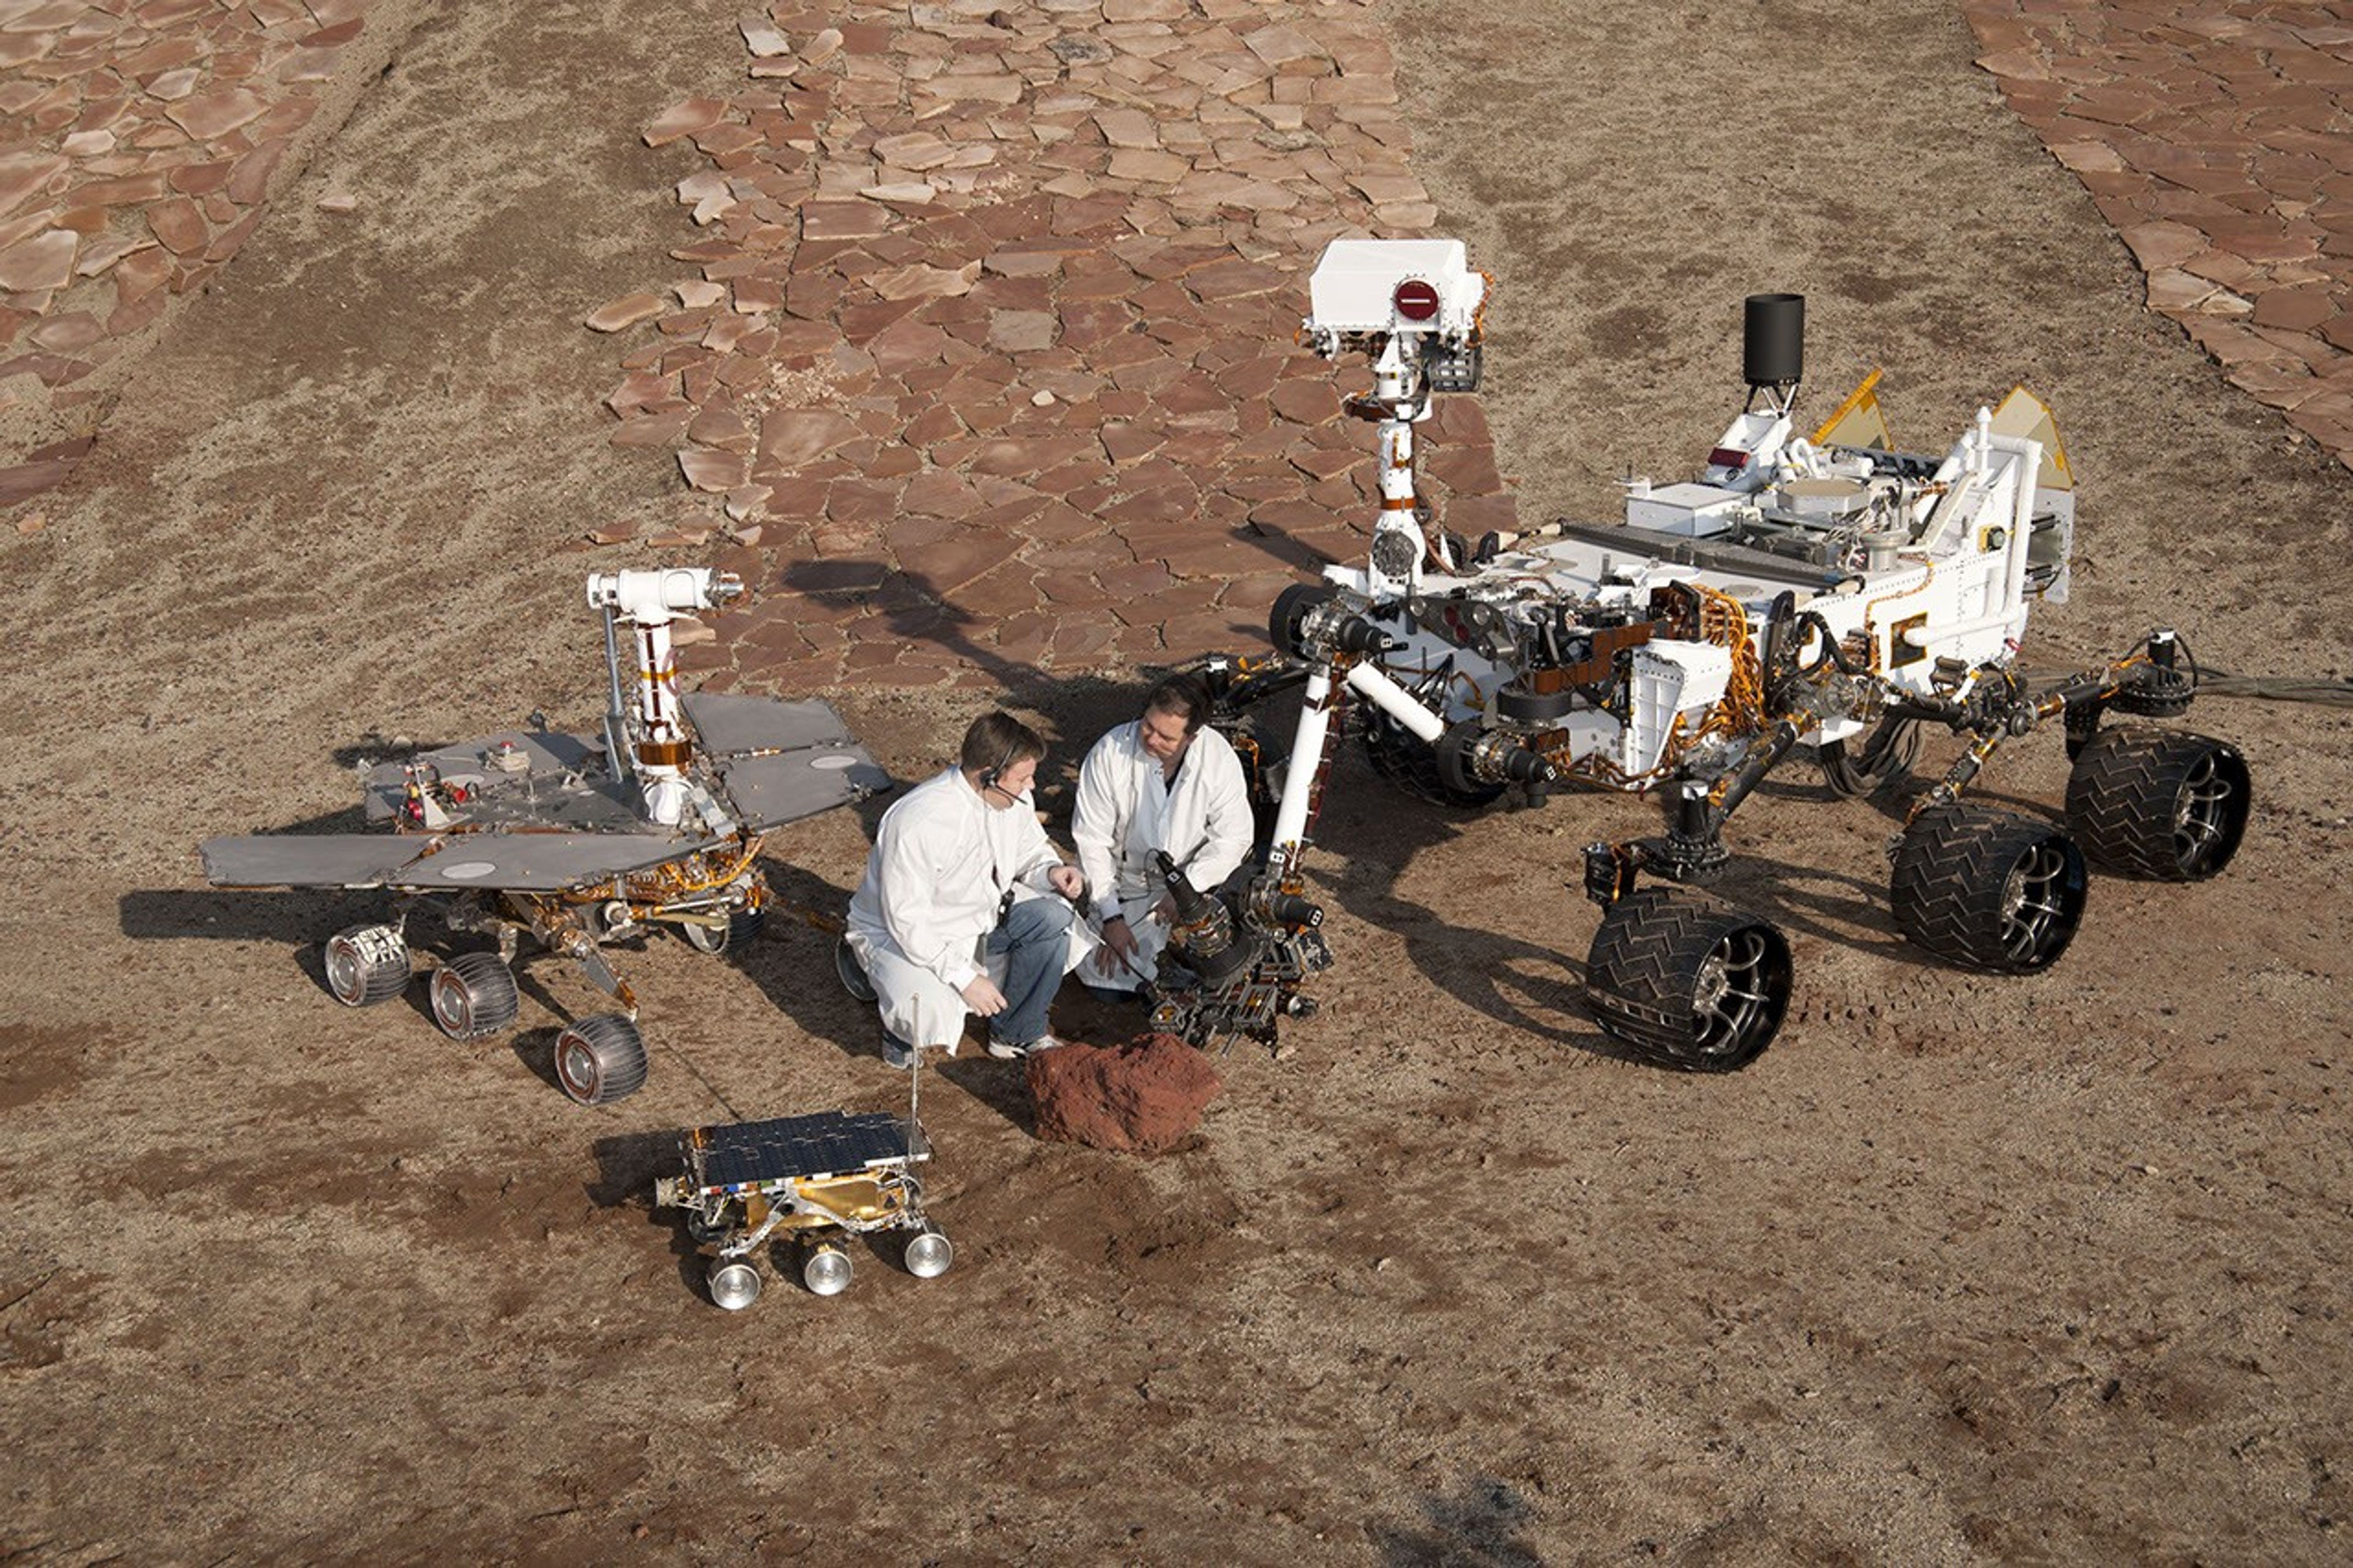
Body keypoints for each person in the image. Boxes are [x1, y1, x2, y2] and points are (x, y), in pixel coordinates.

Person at [844, 711, 1090, 1066]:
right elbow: (907, 921)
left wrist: (1050, 872)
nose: (1032, 787)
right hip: (902, 934)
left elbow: (1029, 852)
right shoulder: (919, 821)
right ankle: (894, 1021)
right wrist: (964, 977)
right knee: (924, 1011)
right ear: (989, 774)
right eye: (1024, 778)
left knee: (1053, 918)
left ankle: (1017, 1032)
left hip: (977, 922)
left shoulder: (1012, 798)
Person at [1070, 673, 1254, 996]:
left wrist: (1188, 887)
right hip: (1124, 885)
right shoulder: (1109, 753)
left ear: (1192, 737)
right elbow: (1091, 842)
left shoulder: (1217, 757)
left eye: (1166, 737)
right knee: (1108, 983)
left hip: (1192, 882)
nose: (1152, 740)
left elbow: (1234, 837)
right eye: (1148, 727)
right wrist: (1112, 918)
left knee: (1228, 964)